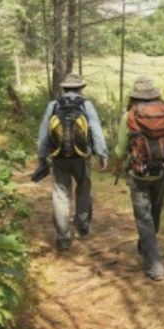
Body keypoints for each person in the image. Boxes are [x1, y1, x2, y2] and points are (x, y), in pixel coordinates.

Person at [113, 76, 164, 281]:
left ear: (135, 96)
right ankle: (147, 247)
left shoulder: (130, 116)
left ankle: (154, 266)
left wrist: (117, 168)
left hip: (139, 173)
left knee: (143, 217)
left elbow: (121, 148)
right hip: (163, 171)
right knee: (154, 212)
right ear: (155, 94)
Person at [37, 73, 108, 250]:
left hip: (58, 156)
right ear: (80, 88)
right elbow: (96, 131)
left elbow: (44, 134)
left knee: (61, 194)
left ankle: (63, 237)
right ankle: (83, 227)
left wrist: (41, 157)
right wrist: (102, 154)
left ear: (64, 88)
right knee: (83, 189)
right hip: (82, 157)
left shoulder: (53, 105)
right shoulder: (86, 105)